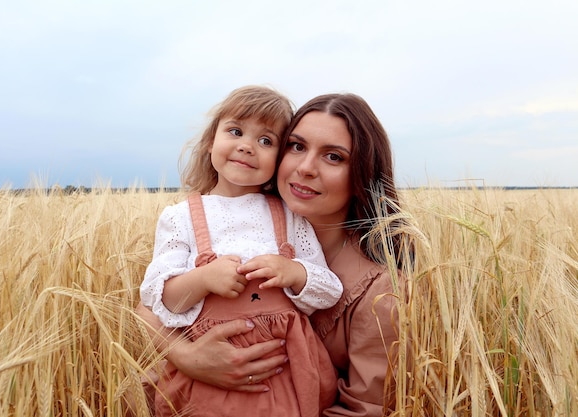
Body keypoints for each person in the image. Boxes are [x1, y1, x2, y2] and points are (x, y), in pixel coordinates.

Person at [136, 92, 406, 416]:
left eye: (333, 157)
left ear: (362, 173)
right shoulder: (202, 222)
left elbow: (364, 409)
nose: (305, 168)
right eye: (297, 146)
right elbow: (149, 304)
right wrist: (188, 358)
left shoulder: (380, 292)